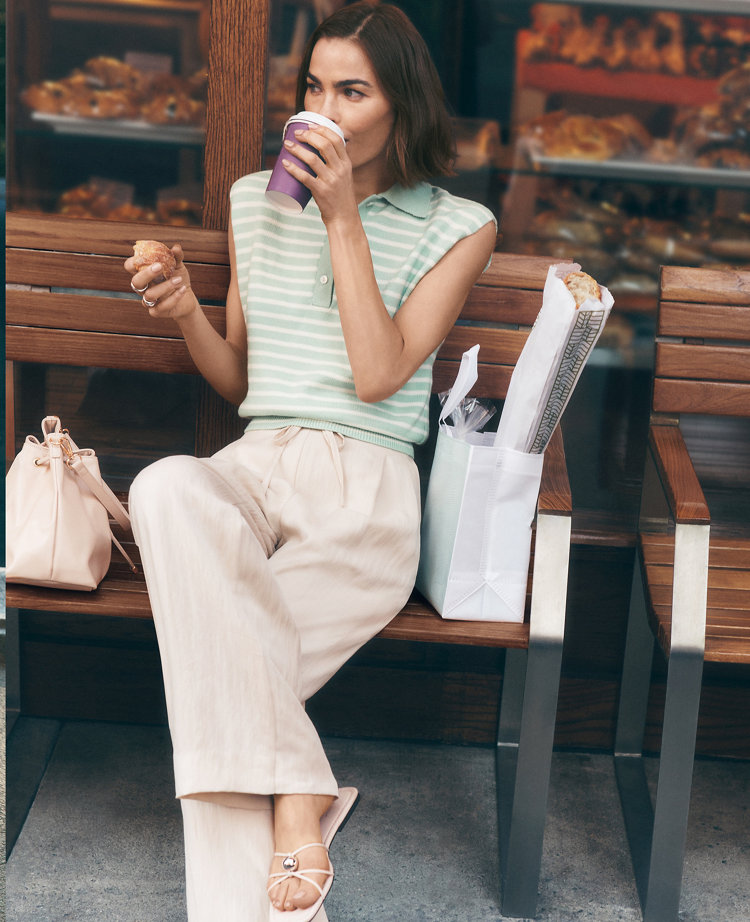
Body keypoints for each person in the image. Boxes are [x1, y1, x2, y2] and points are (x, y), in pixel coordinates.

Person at [124, 3, 496, 920]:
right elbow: (241, 378)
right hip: (257, 462)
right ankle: (302, 787)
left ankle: (266, 857)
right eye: (314, 88)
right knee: (164, 483)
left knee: (219, 663)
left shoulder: (459, 225)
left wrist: (342, 219)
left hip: (366, 487)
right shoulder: (256, 201)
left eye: (352, 92)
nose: (323, 111)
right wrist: (185, 309)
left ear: (400, 106)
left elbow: (378, 375)